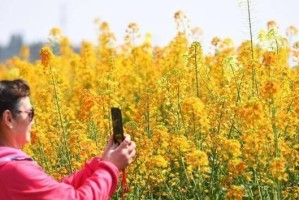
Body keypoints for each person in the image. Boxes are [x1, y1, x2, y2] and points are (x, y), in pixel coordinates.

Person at [0, 79, 136, 200]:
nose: (33, 122)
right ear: (9, 119)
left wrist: (102, 163)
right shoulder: (15, 170)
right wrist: (111, 167)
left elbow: (56, 191)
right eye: (30, 113)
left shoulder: (6, 167)